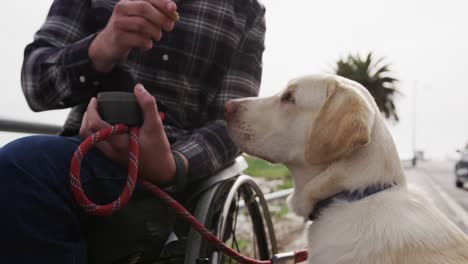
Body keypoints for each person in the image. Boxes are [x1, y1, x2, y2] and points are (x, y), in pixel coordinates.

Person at [0, 0, 266, 263]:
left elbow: (235, 123)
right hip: (86, 158)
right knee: (25, 170)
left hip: (184, 188)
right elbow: (36, 84)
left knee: (23, 166)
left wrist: (173, 165)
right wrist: (102, 46)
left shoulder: (246, 9)